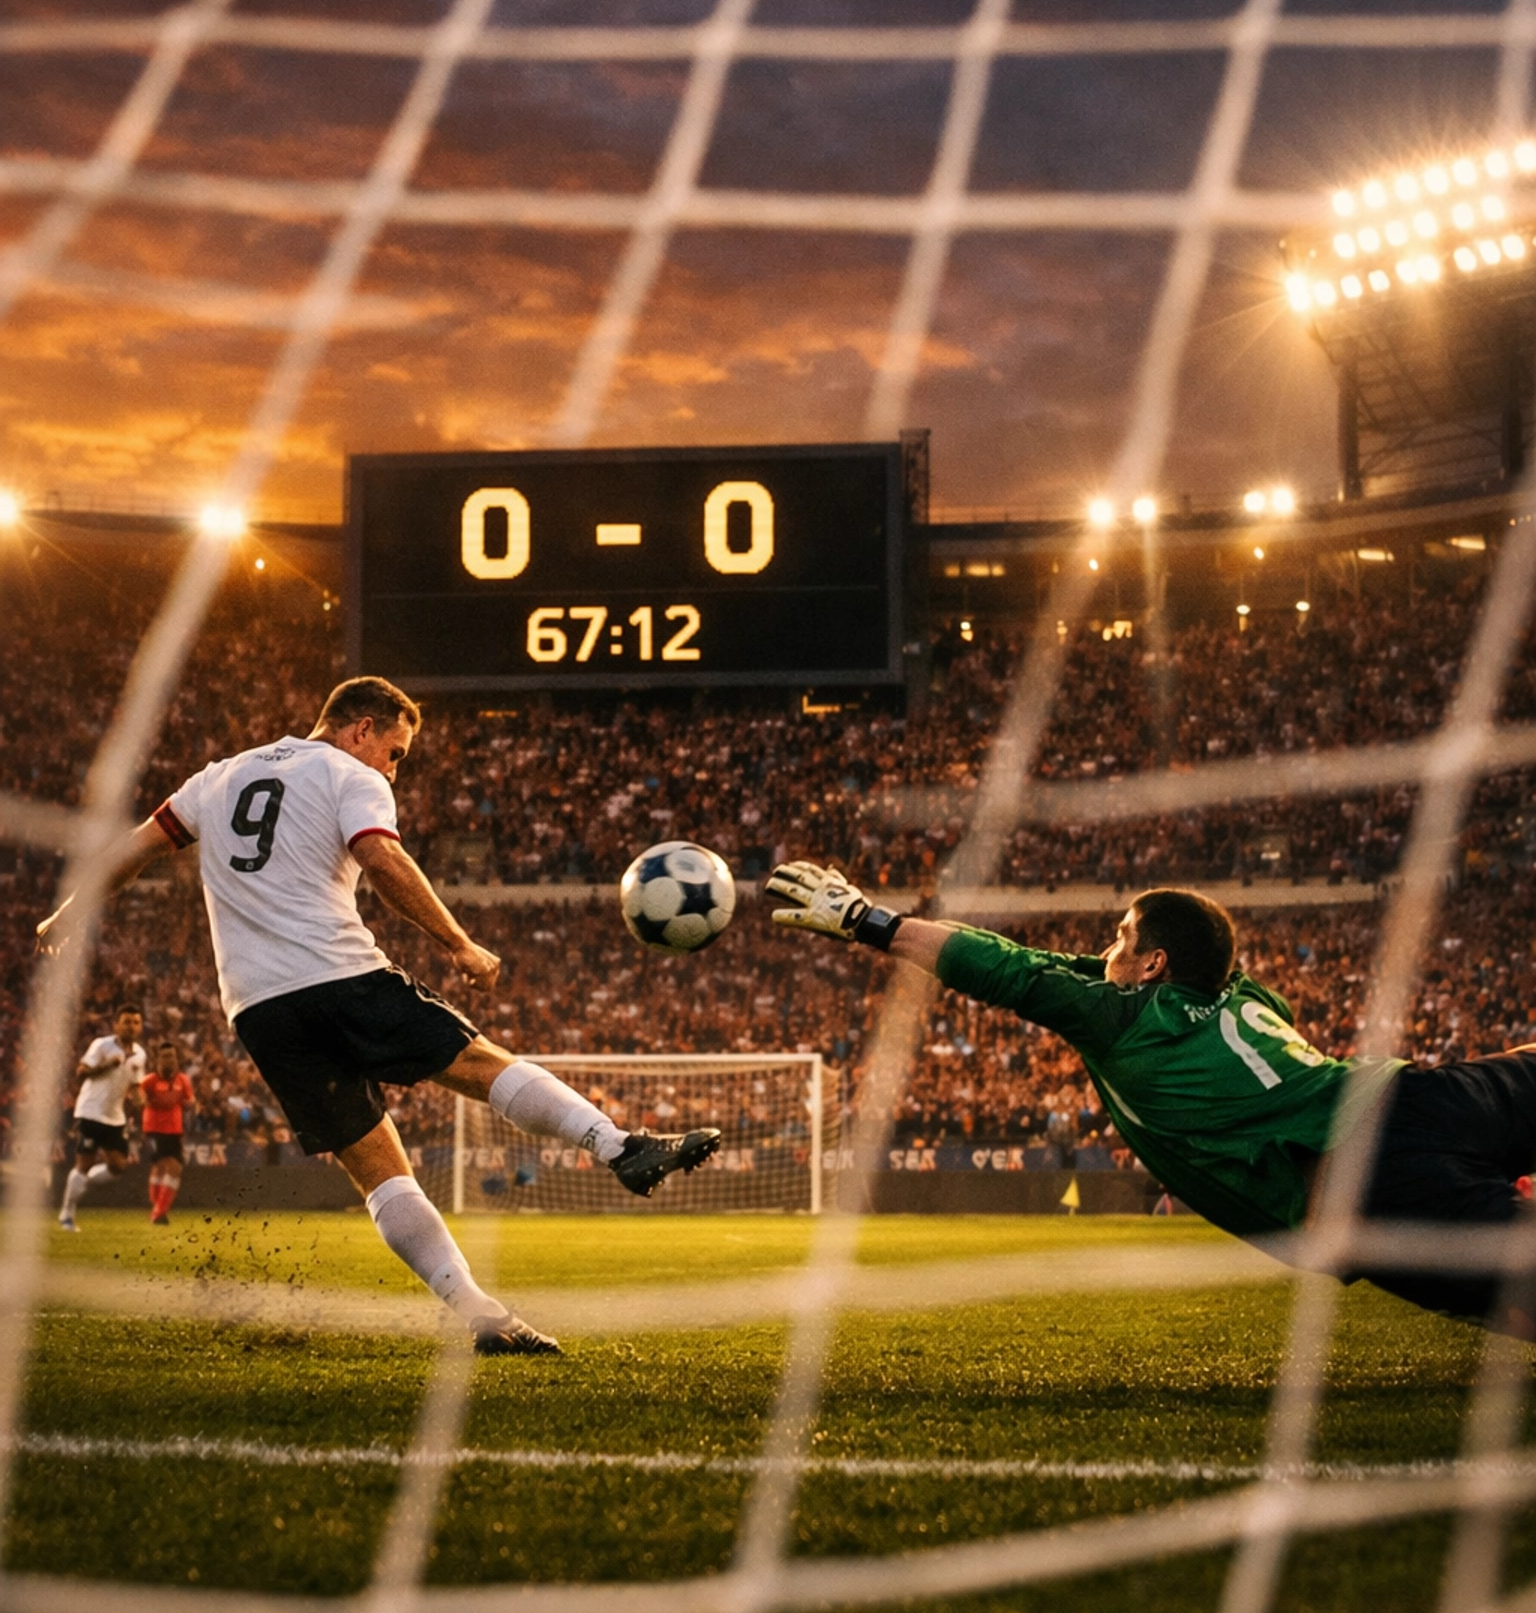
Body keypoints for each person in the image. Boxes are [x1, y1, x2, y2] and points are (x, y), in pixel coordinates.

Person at [38, 676, 719, 1354]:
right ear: (361, 727)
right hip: (340, 976)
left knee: (380, 1172)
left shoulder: (215, 779)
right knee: (482, 1065)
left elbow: (135, 850)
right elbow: (382, 857)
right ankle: (620, 1147)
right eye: (395, 750)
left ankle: (482, 1315)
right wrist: (458, 943)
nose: (395, 766)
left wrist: (68, 913)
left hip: (258, 1011)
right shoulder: (347, 773)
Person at [765, 866, 1536, 1340]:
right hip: (1416, 1098)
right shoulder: (1242, 995)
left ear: (1154, 962)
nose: (1106, 951)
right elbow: (1061, 968)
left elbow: (1013, 971)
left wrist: (871, 922)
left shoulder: (1127, 1022)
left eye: (1121, 938)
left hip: (1362, 1184)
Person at [58, 1003, 146, 1230]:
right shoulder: (102, 1046)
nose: (131, 1026)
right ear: (116, 1025)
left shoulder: (140, 1055)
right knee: (84, 1162)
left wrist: (138, 1097)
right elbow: (81, 1072)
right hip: (90, 1111)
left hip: (115, 1116)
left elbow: (135, 1085)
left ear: (140, 1027)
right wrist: (106, 1065)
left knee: (118, 1166)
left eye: (136, 1022)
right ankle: (67, 1214)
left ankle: (79, 1184)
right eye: (126, 1021)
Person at [141, 1041, 194, 1224]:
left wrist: (192, 1105)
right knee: (170, 1166)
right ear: (158, 1059)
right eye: (164, 1056)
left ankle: (158, 1211)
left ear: (176, 1059)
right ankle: (159, 1212)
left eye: (171, 1056)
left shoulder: (182, 1080)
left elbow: (190, 1100)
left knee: (161, 1168)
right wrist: (144, 1101)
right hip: (154, 1128)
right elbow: (137, 1098)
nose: (168, 1060)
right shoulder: (150, 1081)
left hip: (175, 1129)